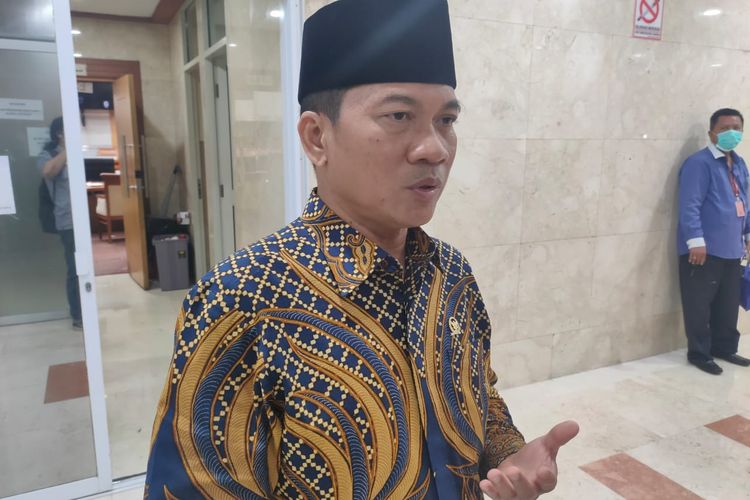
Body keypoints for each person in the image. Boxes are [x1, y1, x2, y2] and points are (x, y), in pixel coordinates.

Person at [145, 1, 578, 498]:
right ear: (316, 137)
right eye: (399, 116)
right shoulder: (240, 299)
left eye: (446, 120)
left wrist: (506, 455)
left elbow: (481, 393)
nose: (435, 148)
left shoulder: (452, 274)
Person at [677, 108, 750, 375]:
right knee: (699, 304)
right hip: (703, 250)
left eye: (737, 128)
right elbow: (689, 205)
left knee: (728, 304)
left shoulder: (739, 163)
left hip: (732, 249)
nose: (732, 133)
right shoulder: (699, 163)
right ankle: (700, 353)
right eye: (724, 128)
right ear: (711, 133)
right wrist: (695, 241)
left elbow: (746, 201)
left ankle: (724, 348)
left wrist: (747, 235)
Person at [37, 117, 82, 329]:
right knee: (75, 269)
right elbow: (48, 171)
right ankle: (77, 316)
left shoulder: (77, 152)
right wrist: (68, 149)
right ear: (59, 133)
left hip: (82, 220)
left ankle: (87, 309)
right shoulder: (48, 154)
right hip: (67, 221)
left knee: (86, 267)